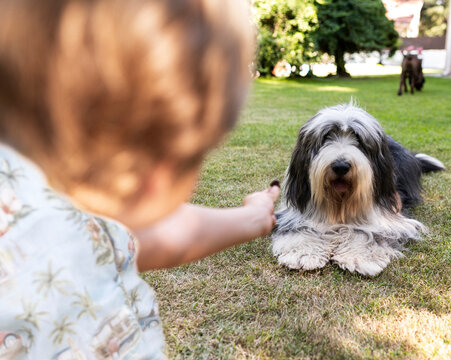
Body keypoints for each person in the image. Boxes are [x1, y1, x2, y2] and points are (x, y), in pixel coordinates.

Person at [0, 0, 279, 358]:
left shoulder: (35, 208)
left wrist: (252, 218)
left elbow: (116, 238)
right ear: (157, 175)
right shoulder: (77, 325)